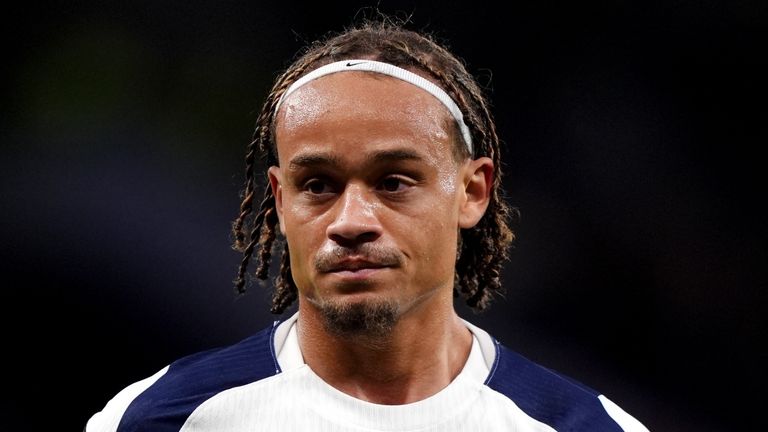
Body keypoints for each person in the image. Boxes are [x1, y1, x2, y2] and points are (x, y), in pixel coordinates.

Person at [86, 19, 649, 432]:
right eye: (318, 186)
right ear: (280, 202)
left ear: (472, 192)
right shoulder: (161, 419)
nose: (351, 222)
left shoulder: (586, 427)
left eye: (394, 182)